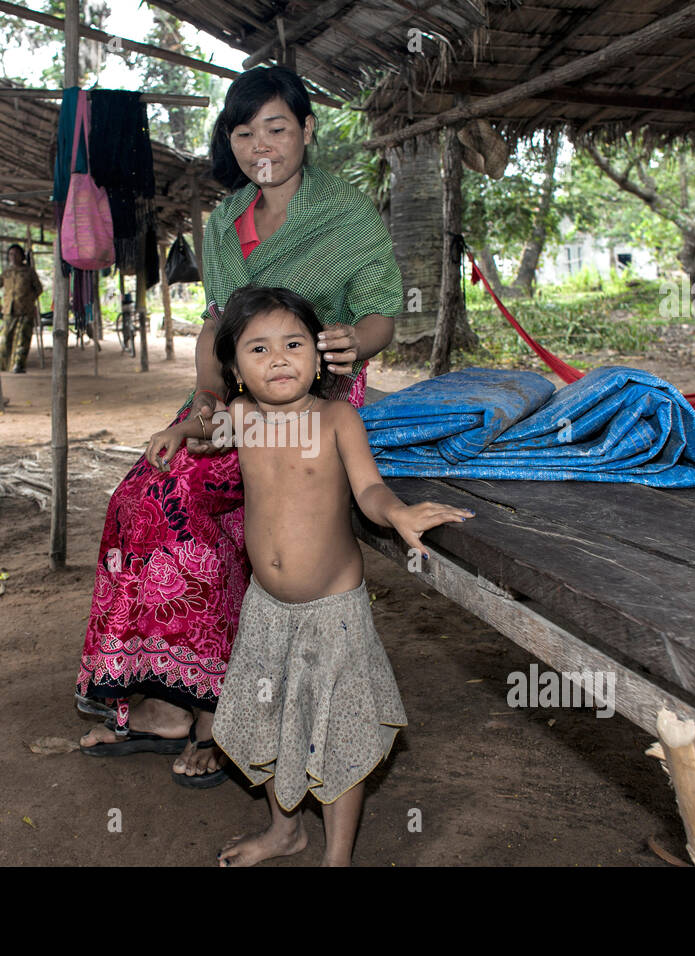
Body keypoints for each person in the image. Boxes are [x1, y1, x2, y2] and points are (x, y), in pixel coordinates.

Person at [76, 65, 403, 787]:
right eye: (245, 129)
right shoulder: (226, 221)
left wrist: (358, 340)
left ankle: (215, 706)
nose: (262, 143)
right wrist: (202, 401)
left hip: (308, 404)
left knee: (188, 505)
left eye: (277, 127)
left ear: (307, 131)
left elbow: (380, 309)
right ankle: (164, 693)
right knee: (137, 497)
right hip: (234, 399)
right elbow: (218, 324)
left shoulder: (349, 214)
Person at [143, 286, 473, 865]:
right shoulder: (242, 418)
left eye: (293, 344)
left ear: (318, 356)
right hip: (266, 608)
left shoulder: (335, 417)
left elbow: (368, 488)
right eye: (259, 348)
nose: (278, 358)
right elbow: (206, 425)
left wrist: (397, 513)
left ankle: (336, 856)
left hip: (332, 611)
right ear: (235, 367)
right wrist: (179, 431)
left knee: (337, 726)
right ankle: (284, 829)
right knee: (271, 717)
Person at [0, 244, 43, 373]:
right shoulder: (7, 272)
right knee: (6, 337)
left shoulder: (29, 272)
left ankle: (19, 364)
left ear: (22, 256)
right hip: (9, 310)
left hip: (25, 310)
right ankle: (4, 364)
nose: (13, 257)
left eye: (16, 254)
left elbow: (39, 289)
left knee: (23, 338)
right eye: (11, 254)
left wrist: (28, 299)